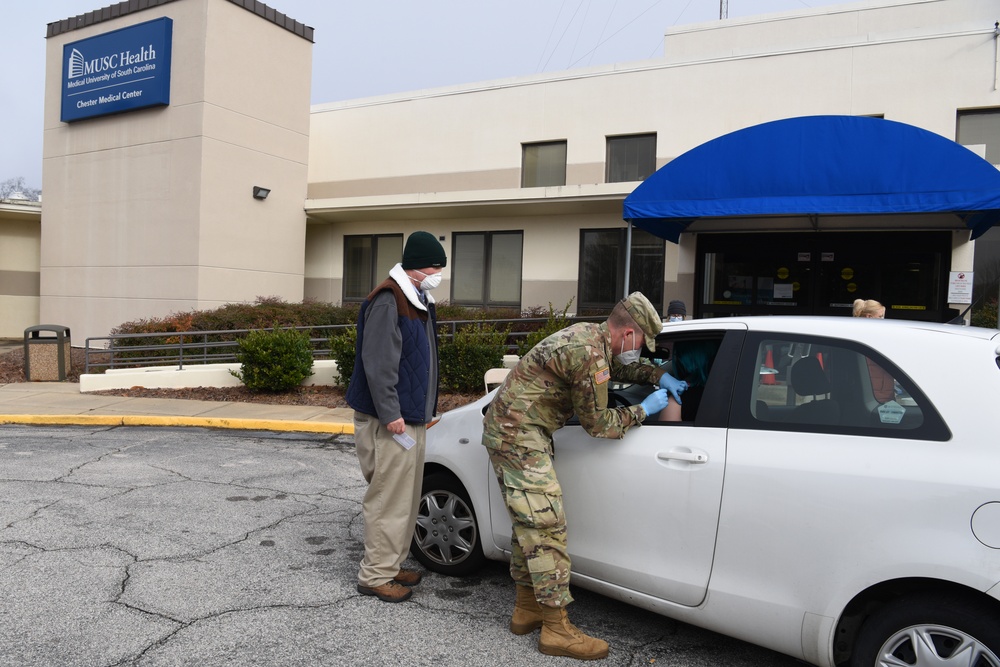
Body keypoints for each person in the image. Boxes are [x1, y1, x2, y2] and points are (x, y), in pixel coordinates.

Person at [482, 292, 687, 660]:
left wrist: (658, 376)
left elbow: (618, 370)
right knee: (546, 528)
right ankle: (556, 630)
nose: (641, 351)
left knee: (529, 526)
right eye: (642, 343)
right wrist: (643, 409)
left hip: (515, 430)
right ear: (628, 333)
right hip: (519, 436)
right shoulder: (588, 352)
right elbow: (598, 425)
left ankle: (527, 609)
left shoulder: (592, 337)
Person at [345, 231, 446, 603]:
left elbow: (416, 363)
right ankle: (375, 576)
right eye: (437, 266)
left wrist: (425, 410)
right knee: (388, 498)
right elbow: (378, 363)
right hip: (391, 420)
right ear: (419, 266)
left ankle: (390, 564)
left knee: (404, 498)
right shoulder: (390, 299)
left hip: (409, 417)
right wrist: (391, 413)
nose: (439, 273)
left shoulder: (417, 297)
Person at [852, 298, 894, 403]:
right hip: (879, 394)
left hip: (864, 392)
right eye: (880, 316)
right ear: (869, 317)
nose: (883, 319)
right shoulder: (877, 338)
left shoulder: (852, 334)